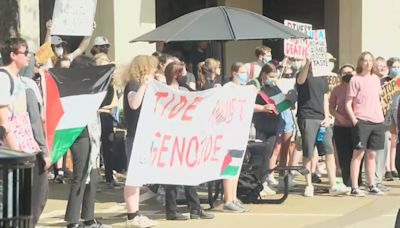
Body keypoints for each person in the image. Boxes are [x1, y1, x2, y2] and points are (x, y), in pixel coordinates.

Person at [162, 61, 215, 220]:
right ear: (177, 74)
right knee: (171, 176)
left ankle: (195, 208)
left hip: (185, 137)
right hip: (171, 138)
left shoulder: (185, 90)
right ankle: (171, 210)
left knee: (189, 174)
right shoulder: (163, 92)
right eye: (184, 72)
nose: (186, 75)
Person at [114, 55, 158, 227]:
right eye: (153, 68)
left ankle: (135, 214)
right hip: (135, 136)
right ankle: (132, 216)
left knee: (137, 177)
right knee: (133, 177)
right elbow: (134, 104)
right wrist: (144, 86)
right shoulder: (133, 85)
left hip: (143, 135)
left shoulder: (141, 85)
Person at [296, 57, 349, 197]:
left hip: (322, 119)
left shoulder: (323, 78)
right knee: (308, 152)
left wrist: (326, 116)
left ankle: (333, 185)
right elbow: (300, 81)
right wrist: (307, 62)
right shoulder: (303, 75)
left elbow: (325, 98)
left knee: (329, 151)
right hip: (307, 116)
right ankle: (308, 185)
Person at [345, 51, 385, 196]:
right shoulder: (355, 79)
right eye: (365, 60)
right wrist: (354, 120)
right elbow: (348, 102)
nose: (368, 63)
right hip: (362, 121)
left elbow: (379, 98)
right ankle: (354, 186)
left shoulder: (376, 79)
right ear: (360, 63)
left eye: (370, 60)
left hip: (377, 120)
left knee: (372, 154)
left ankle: (371, 184)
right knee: (358, 154)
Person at [222, 62, 250, 213]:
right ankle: (227, 199)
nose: (244, 74)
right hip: (230, 131)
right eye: (242, 72)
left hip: (241, 130)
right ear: (234, 73)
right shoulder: (228, 88)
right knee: (229, 164)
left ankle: (233, 196)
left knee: (236, 166)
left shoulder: (243, 89)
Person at [329, 64, 362, 187]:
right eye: (344, 72)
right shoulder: (337, 89)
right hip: (341, 126)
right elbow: (331, 108)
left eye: (350, 72)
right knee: (344, 155)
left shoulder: (359, 87)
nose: (348, 74)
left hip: (357, 125)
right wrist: (339, 117)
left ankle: (357, 181)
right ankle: (347, 181)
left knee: (358, 154)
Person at [0, 37, 30, 150]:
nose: (29, 56)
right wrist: (16, 152)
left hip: (22, 142)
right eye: (25, 52)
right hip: (10, 148)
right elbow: (3, 121)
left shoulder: (15, 78)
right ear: (13, 55)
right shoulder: (3, 78)